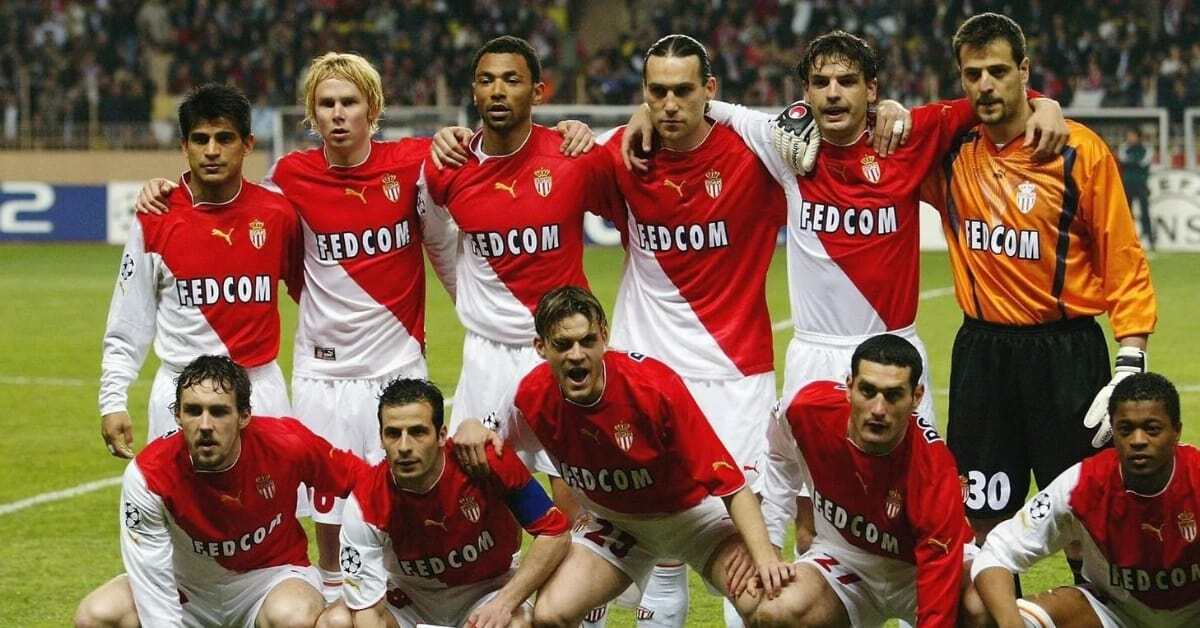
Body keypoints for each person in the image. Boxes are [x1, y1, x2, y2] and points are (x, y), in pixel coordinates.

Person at [622, 29, 1068, 554]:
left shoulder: (908, 135)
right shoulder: (784, 145)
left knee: (918, 510)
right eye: (821, 83)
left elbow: (987, 95)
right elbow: (715, 108)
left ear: (871, 89)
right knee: (808, 518)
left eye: (848, 82)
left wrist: (1046, 103)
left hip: (894, 354)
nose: (833, 93)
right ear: (805, 93)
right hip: (815, 356)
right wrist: (644, 113)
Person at [134, 52, 459, 599]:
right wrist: (169, 189)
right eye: (326, 103)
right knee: (326, 506)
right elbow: (244, 219)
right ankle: (330, 594)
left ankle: (409, 597)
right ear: (312, 113)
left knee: (410, 490)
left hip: (397, 366)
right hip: (321, 372)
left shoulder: (412, 163)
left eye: (349, 102)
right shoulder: (289, 177)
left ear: (372, 108)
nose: (338, 113)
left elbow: (465, 192)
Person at [919, 13, 1157, 583]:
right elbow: (884, 135)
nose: (985, 85)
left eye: (998, 71)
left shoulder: (1079, 152)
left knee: (1083, 516)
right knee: (982, 515)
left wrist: (1131, 358)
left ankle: (1092, 608)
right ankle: (996, 615)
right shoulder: (951, 153)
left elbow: (1122, 257)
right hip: (982, 355)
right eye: (972, 74)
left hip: (1067, 354)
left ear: (1024, 71)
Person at [454, 286, 793, 626]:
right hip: (616, 526)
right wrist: (471, 425)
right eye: (563, 344)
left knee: (770, 606)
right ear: (541, 347)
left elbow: (731, 485)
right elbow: (489, 438)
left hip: (694, 520)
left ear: (604, 338)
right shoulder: (530, 395)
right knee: (549, 614)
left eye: (587, 341)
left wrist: (764, 556)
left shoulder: (653, 388)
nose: (576, 355)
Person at [598, 34, 789, 628]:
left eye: (684, 90)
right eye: (657, 92)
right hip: (646, 368)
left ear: (710, 90)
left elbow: (820, 129)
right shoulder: (622, 156)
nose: (670, 104)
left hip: (734, 371)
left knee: (746, 535)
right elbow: (542, 166)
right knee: (658, 540)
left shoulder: (755, 156)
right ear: (644, 94)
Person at [74, 355, 364, 628]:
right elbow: (153, 582)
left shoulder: (286, 444)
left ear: (244, 415)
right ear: (177, 415)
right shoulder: (149, 475)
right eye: (193, 411)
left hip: (268, 580)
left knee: (295, 616)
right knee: (96, 616)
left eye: (219, 411)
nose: (205, 425)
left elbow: (364, 483)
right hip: (186, 585)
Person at [100, 83, 301, 458]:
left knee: (274, 497)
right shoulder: (155, 217)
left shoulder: (277, 214)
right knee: (175, 499)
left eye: (224, 138)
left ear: (248, 144)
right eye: (200, 139)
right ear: (184, 146)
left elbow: (316, 294)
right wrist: (112, 400)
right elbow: (128, 321)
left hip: (260, 390)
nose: (211, 151)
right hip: (180, 393)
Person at [755, 334, 979, 628]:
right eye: (868, 391)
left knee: (981, 607)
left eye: (893, 395)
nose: (878, 409)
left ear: (916, 397)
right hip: (844, 559)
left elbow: (938, 575)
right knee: (775, 610)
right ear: (849, 387)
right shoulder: (806, 409)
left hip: (917, 569)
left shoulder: (934, 469)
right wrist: (770, 542)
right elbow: (779, 456)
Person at [318, 378, 570, 628]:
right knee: (336, 622)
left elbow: (554, 533)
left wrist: (503, 603)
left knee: (517, 625)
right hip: (409, 598)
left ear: (441, 435)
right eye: (393, 434)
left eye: (418, 432)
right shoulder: (365, 502)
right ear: (381, 439)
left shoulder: (485, 461)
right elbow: (367, 612)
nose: (404, 446)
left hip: (484, 592)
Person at [971, 372, 1200, 627]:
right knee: (983, 612)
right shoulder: (1083, 484)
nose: (1137, 441)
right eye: (1126, 429)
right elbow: (996, 553)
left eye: (1152, 429)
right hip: (1116, 612)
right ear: (1113, 432)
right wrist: (1010, 624)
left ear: (1176, 432)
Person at [1118, 128, 1155, 251]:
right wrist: (1134, 162)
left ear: (1138, 137)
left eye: (1132, 135)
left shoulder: (1146, 149)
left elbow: (1144, 162)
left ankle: (1149, 239)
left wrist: (1131, 162)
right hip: (1127, 185)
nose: (1130, 138)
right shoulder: (1124, 148)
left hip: (1141, 185)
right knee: (1126, 214)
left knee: (1145, 213)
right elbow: (1123, 160)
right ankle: (1126, 239)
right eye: (1129, 136)